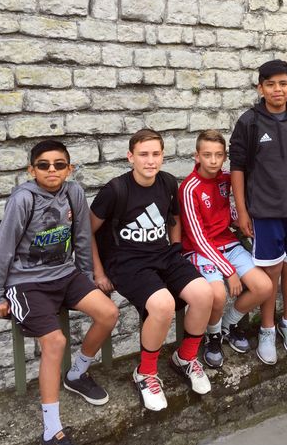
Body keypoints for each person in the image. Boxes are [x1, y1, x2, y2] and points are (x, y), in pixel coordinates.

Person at [0, 140, 118, 445]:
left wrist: (87, 278)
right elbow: (3, 247)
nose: (52, 171)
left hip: (65, 274)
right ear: (32, 170)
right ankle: (51, 432)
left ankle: (77, 374)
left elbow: (83, 238)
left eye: (60, 164)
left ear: (69, 168)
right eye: (44, 165)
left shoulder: (73, 192)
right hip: (27, 283)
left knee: (109, 313)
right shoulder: (23, 199)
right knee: (55, 342)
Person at [90, 129, 214, 411]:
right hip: (127, 261)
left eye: (156, 154)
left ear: (162, 155)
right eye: (143, 154)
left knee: (204, 293)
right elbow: (88, 231)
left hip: (163, 254)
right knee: (163, 304)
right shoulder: (115, 190)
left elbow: (174, 218)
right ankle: (145, 373)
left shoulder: (168, 182)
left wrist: (177, 247)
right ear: (130, 157)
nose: (150, 161)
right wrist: (99, 272)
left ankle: (185, 358)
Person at [229, 59, 287, 365]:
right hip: (265, 211)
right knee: (271, 272)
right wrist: (242, 211)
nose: (277, 89)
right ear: (260, 88)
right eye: (270, 84)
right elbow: (238, 170)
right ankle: (268, 328)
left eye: (283, 83)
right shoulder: (249, 122)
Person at [179, 130, 273, 368]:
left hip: (227, 242)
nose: (213, 160)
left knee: (264, 286)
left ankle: (228, 325)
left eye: (218, 155)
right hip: (201, 249)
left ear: (224, 157)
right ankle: (212, 337)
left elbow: (228, 212)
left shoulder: (226, 179)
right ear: (196, 156)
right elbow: (197, 237)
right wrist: (228, 270)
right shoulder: (189, 188)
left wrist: (241, 219)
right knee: (217, 294)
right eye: (207, 155)